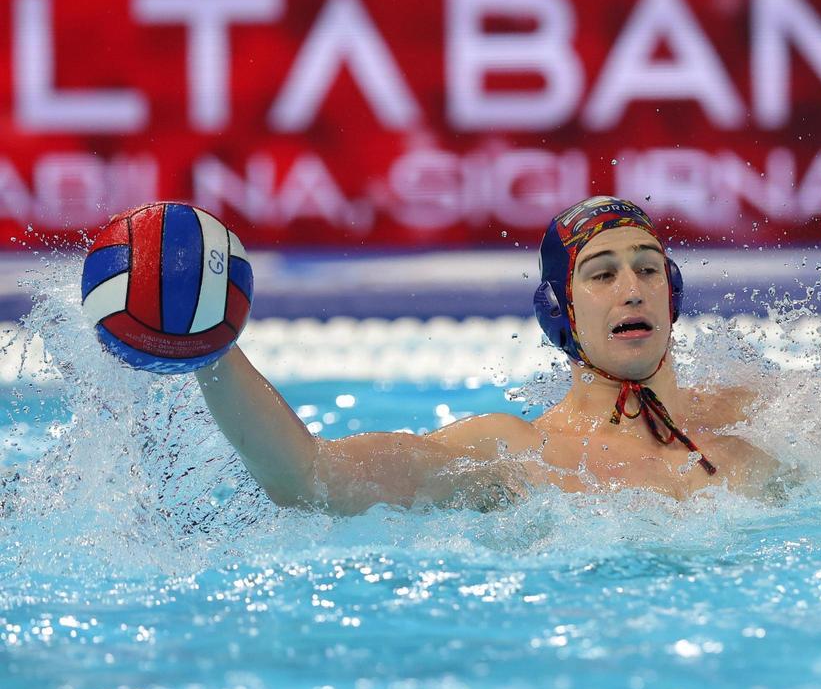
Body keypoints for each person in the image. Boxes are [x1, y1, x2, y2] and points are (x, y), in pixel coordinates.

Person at [196, 196, 781, 514]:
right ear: (561, 311)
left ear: (672, 292)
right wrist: (210, 348)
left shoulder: (768, 418)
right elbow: (313, 479)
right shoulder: (519, 455)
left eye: (649, 269)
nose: (633, 288)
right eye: (602, 275)